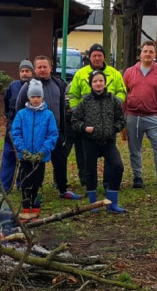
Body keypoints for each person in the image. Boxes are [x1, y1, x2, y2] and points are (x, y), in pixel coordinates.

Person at [16, 56, 81, 200]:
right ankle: (31, 189)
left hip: (55, 132)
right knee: (34, 163)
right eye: (39, 67)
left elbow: (65, 108)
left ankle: (63, 189)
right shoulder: (28, 86)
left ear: (51, 68)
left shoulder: (59, 84)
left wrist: (65, 131)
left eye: (45, 67)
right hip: (35, 135)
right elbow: (19, 108)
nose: (42, 70)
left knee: (60, 161)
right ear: (35, 69)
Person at [68, 44, 127, 191]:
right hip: (88, 126)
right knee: (86, 159)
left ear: (104, 57)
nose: (97, 58)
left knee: (111, 160)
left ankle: (108, 184)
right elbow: (73, 94)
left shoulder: (114, 74)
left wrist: (114, 104)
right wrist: (77, 110)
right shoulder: (80, 73)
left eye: (100, 55)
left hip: (108, 122)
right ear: (89, 57)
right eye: (94, 55)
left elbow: (122, 91)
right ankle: (87, 184)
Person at [70, 70, 127, 214]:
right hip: (90, 141)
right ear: (91, 84)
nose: (98, 83)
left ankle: (112, 202)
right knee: (90, 171)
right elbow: (74, 120)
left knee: (117, 166)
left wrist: (115, 128)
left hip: (108, 141)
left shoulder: (113, 100)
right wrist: (84, 128)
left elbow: (121, 118)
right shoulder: (86, 101)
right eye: (95, 81)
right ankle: (93, 204)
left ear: (105, 82)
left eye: (101, 80)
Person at [123, 41, 157, 190]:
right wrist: (123, 116)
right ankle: (137, 177)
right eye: (145, 51)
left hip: (152, 116)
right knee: (134, 149)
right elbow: (124, 94)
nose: (148, 54)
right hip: (132, 116)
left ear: (155, 54)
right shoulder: (130, 71)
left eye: (151, 51)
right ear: (141, 54)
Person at [11, 79, 58, 220]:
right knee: (26, 182)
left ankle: (36, 207)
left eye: (38, 96)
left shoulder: (48, 115)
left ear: (42, 97)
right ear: (29, 97)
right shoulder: (21, 114)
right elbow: (16, 133)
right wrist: (22, 149)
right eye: (33, 96)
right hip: (25, 156)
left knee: (38, 182)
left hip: (40, 156)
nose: (35, 99)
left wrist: (43, 151)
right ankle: (25, 208)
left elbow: (52, 135)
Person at [0, 60, 34, 192]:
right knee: (8, 156)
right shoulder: (12, 86)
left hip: (28, 130)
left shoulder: (35, 86)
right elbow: (7, 104)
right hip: (12, 128)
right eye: (22, 71)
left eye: (27, 71)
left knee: (24, 158)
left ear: (32, 72)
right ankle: (4, 186)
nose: (25, 74)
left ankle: (22, 184)